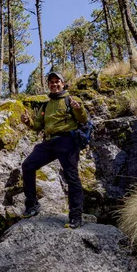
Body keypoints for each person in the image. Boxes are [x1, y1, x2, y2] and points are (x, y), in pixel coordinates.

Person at [20, 71, 88, 228]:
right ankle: (32, 205)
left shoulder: (72, 99)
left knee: (72, 178)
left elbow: (83, 119)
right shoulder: (46, 105)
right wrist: (27, 121)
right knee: (28, 166)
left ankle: (76, 217)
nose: (54, 84)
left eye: (57, 81)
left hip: (67, 141)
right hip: (49, 142)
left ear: (63, 84)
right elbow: (37, 126)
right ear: (48, 85)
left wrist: (78, 109)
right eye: (51, 82)